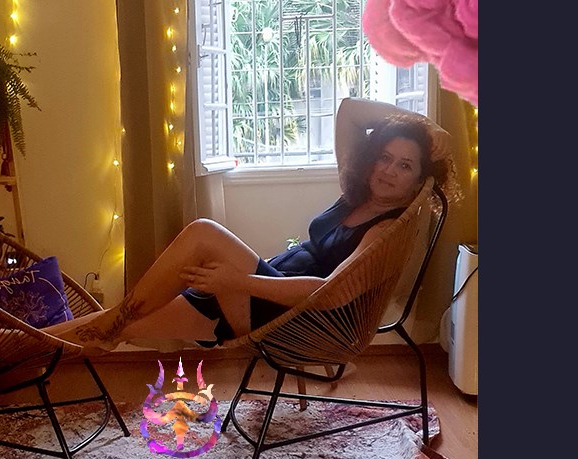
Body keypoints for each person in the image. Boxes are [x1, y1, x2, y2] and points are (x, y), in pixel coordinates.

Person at [46, 98, 454, 351]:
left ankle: (27, 343)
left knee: (204, 233)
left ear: (420, 180)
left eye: (405, 166)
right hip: (254, 297)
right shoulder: (357, 195)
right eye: (384, 157)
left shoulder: (386, 231)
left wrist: (236, 282)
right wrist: (425, 125)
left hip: (293, 320)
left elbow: (330, 294)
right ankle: (18, 345)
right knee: (116, 325)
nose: (389, 171)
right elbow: (349, 111)